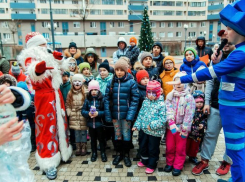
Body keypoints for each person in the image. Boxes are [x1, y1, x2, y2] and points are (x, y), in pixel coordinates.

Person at [167, 2, 245, 181]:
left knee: (236, 150)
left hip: (234, 108)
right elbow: (224, 71)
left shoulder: (241, 53)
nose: (226, 32)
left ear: (239, 30)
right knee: (236, 149)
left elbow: (211, 73)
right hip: (229, 107)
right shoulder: (238, 52)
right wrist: (217, 61)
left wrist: (182, 78)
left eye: (229, 28)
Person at [17, 32, 72, 180]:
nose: (45, 46)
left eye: (44, 43)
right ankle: (48, 162)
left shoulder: (47, 54)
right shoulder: (30, 57)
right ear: (34, 46)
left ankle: (62, 151)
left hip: (55, 94)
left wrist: (60, 60)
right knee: (46, 126)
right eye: (41, 44)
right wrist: (38, 69)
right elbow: (33, 73)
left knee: (60, 122)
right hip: (44, 96)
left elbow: (61, 69)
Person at [191, 29, 235, 177]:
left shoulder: (239, 57)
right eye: (223, 38)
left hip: (233, 106)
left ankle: (228, 161)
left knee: (231, 136)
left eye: (227, 37)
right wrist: (207, 102)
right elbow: (210, 81)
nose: (225, 41)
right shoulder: (217, 58)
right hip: (216, 105)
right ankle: (204, 160)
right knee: (210, 134)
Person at [104, 58, 139, 167]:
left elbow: (135, 99)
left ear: (125, 70)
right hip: (115, 115)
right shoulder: (111, 82)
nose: (119, 72)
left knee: (126, 134)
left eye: (121, 70)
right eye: (117, 70)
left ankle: (126, 154)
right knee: (117, 134)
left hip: (126, 115)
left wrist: (130, 115)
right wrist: (108, 114)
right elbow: (106, 99)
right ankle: (119, 153)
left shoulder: (131, 82)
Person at [164, 72, 195, 176]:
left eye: (181, 81)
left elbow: (189, 113)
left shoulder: (189, 97)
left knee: (181, 148)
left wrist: (185, 127)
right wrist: (171, 122)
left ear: (185, 83)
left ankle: (178, 165)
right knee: (170, 146)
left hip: (182, 127)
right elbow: (168, 109)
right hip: (171, 127)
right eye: (176, 81)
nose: (178, 83)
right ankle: (169, 163)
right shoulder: (170, 96)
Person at [133, 80, 166, 174]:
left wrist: (152, 125)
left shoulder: (161, 104)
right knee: (143, 146)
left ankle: (152, 164)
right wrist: (137, 125)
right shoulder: (145, 102)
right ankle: (144, 160)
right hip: (144, 129)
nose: (151, 95)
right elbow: (141, 114)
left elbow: (163, 119)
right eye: (149, 92)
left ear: (158, 92)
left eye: (153, 93)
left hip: (155, 132)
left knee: (153, 148)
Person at [82, 80, 107, 162]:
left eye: (95, 90)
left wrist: (98, 113)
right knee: (93, 139)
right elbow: (83, 111)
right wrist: (88, 113)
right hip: (90, 124)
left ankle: (103, 153)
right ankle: (94, 153)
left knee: (101, 139)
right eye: (92, 90)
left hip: (100, 124)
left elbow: (105, 111)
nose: (93, 92)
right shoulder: (87, 99)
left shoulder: (102, 99)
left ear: (98, 90)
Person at [66, 74, 87, 156]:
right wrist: (69, 112)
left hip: (82, 114)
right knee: (76, 133)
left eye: (79, 81)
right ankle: (78, 147)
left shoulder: (85, 92)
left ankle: (84, 147)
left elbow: (88, 103)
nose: (77, 83)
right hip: (74, 115)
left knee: (83, 132)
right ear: (72, 83)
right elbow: (67, 104)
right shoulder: (70, 93)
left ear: (82, 82)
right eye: (75, 81)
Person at [186, 90, 207, 165]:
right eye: (197, 102)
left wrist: (203, 124)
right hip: (189, 131)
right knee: (187, 144)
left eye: (201, 102)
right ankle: (183, 156)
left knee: (195, 146)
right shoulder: (190, 109)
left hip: (198, 133)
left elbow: (205, 119)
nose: (199, 104)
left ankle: (192, 157)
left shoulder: (204, 111)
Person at [134, 70, 150, 158]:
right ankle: (141, 150)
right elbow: (136, 105)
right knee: (142, 136)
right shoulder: (137, 90)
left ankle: (148, 150)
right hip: (142, 117)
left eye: (147, 78)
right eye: (143, 79)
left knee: (149, 136)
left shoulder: (152, 88)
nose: (145, 80)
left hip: (151, 118)